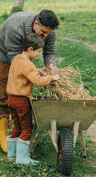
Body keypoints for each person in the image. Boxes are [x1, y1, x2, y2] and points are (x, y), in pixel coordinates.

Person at [0, 9, 59, 153]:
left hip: (25, 56)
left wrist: (51, 66)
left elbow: (50, 52)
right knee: (4, 92)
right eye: (43, 33)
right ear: (36, 23)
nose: (46, 36)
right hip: (4, 52)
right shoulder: (15, 27)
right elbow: (15, 59)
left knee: (20, 89)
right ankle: (3, 135)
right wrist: (34, 73)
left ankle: (16, 136)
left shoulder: (48, 31)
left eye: (48, 33)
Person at [6, 33, 60, 164]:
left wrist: (38, 71)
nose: (39, 54)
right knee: (27, 128)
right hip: (21, 100)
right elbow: (37, 81)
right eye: (39, 51)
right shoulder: (28, 64)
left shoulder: (17, 59)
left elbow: (25, 72)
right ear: (30, 49)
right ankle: (22, 159)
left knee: (17, 126)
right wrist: (51, 78)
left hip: (11, 98)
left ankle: (12, 154)